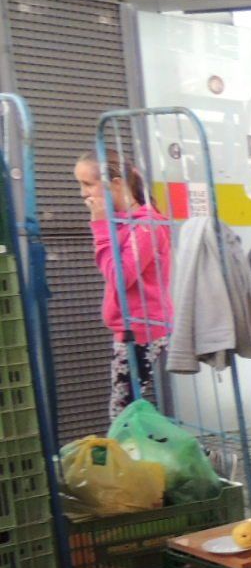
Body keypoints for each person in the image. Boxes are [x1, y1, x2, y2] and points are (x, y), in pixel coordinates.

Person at [74, 151, 173, 423]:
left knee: (124, 415)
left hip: (142, 330)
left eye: (88, 184)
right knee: (127, 412)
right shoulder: (124, 222)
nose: (83, 193)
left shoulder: (146, 225)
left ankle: (175, 448)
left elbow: (119, 277)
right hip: (131, 328)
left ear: (115, 183)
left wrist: (99, 224)